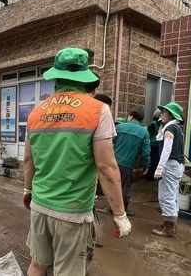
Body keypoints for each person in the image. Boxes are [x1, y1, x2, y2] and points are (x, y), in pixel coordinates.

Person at [23, 48, 131, 276]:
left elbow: (27, 160)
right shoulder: (98, 110)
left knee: (38, 264)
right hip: (72, 211)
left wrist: (27, 189)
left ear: (57, 76)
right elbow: (107, 168)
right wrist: (120, 215)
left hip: (40, 204)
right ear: (84, 77)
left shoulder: (35, 112)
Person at [152, 101, 185, 238]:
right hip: (176, 165)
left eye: (164, 112)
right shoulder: (176, 127)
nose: (161, 114)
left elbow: (167, 149)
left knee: (166, 196)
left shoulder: (171, 128)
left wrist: (159, 168)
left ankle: (169, 229)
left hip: (170, 165)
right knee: (172, 195)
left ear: (171, 115)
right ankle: (170, 224)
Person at [113, 108, 150, 216]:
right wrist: (146, 165)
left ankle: (112, 208)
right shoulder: (144, 132)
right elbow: (146, 152)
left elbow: (110, 141)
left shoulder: (120, 127)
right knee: (125, 187)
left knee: (114, 185)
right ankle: (123, 210)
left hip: (114, 163)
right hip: (128, 165)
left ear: (131, 116)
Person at [146, 109, 161, 180]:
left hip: (153, 144)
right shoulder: (158, 124)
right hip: (156, 144)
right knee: (155, 160)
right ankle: (151, 174)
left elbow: (148, 134)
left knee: (153, 160)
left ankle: (150, 174)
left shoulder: (153, 123)